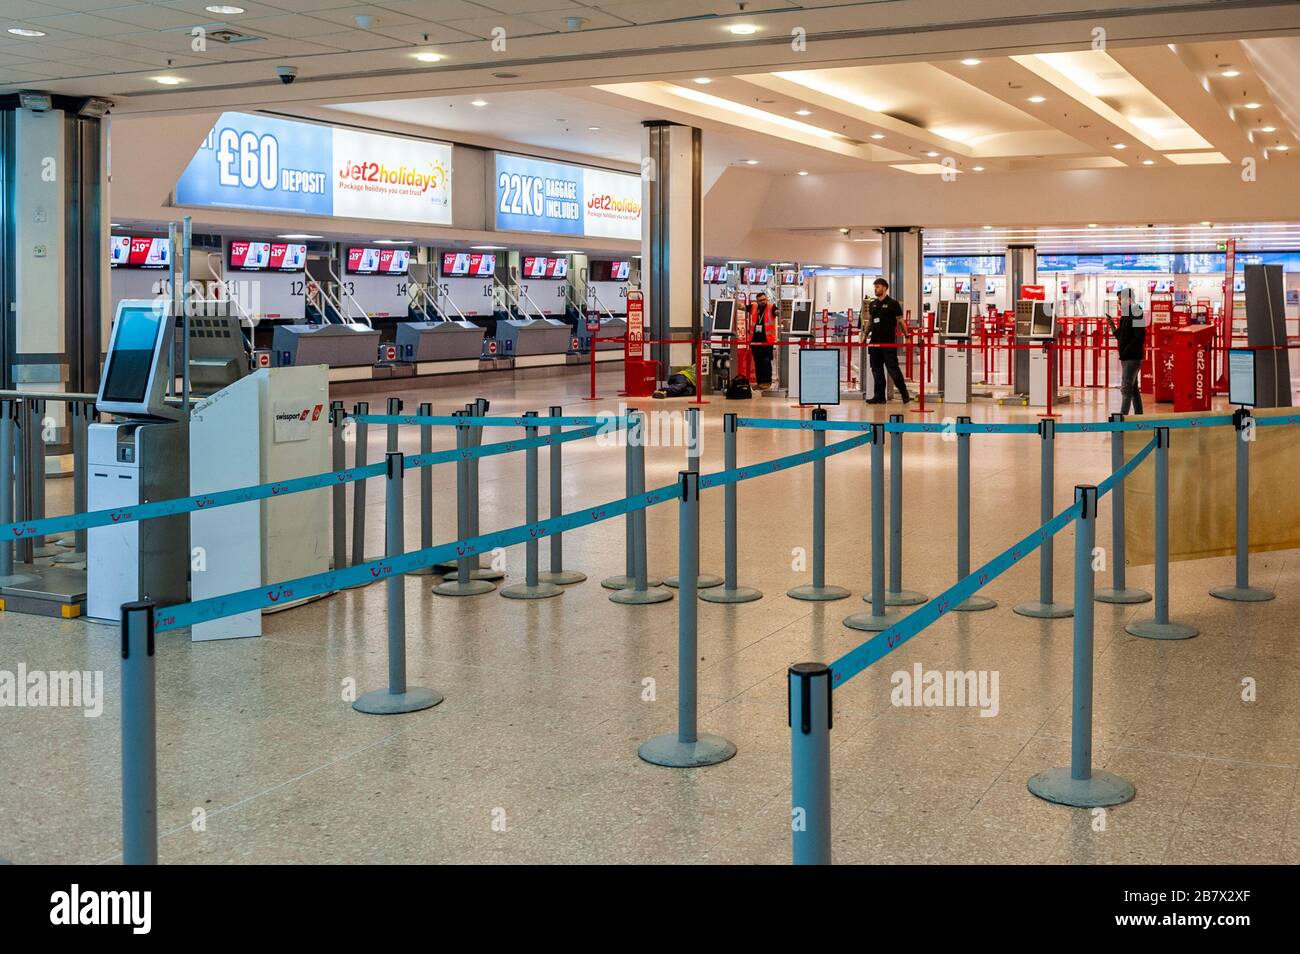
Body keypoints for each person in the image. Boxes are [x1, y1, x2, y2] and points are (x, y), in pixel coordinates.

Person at [863, 277, 910, 404]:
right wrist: (865, 334)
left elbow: (900, 321)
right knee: (876, 370)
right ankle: (879, 396)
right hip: (874, 343)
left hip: (888, 343)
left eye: (878, 286)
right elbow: (870, 321)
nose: (875, 289)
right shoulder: (873, 304)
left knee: (893, 369)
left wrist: (907, 336)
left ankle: (904, 394)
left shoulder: (893, 304)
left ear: (884, 288)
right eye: (875, 287)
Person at [1107, 289, 1146, 415]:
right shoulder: (1126, 314)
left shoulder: (1136, 311)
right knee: (1133, 388)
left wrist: (1127, 350)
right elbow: (1121, 336)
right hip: (1126, 356)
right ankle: (1139, 415)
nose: (1118, 302)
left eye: (1120, 299)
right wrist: (1112, 325)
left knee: (1126, 388)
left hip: (1132, 357)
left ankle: (1122, 419)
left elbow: (1140, 335)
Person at [748, 291, 776, 389]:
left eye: (764, 299)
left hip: (767, 341)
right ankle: (759, 382)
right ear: (757, 301)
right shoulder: (754, 307)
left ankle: (767, 382)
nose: (763, 302)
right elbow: (742, 307)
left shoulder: (771, 307)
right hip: (755, 341)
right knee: (757, 362)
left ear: (767, 299)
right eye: (760, 300)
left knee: (766, 362)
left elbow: (777, 312)